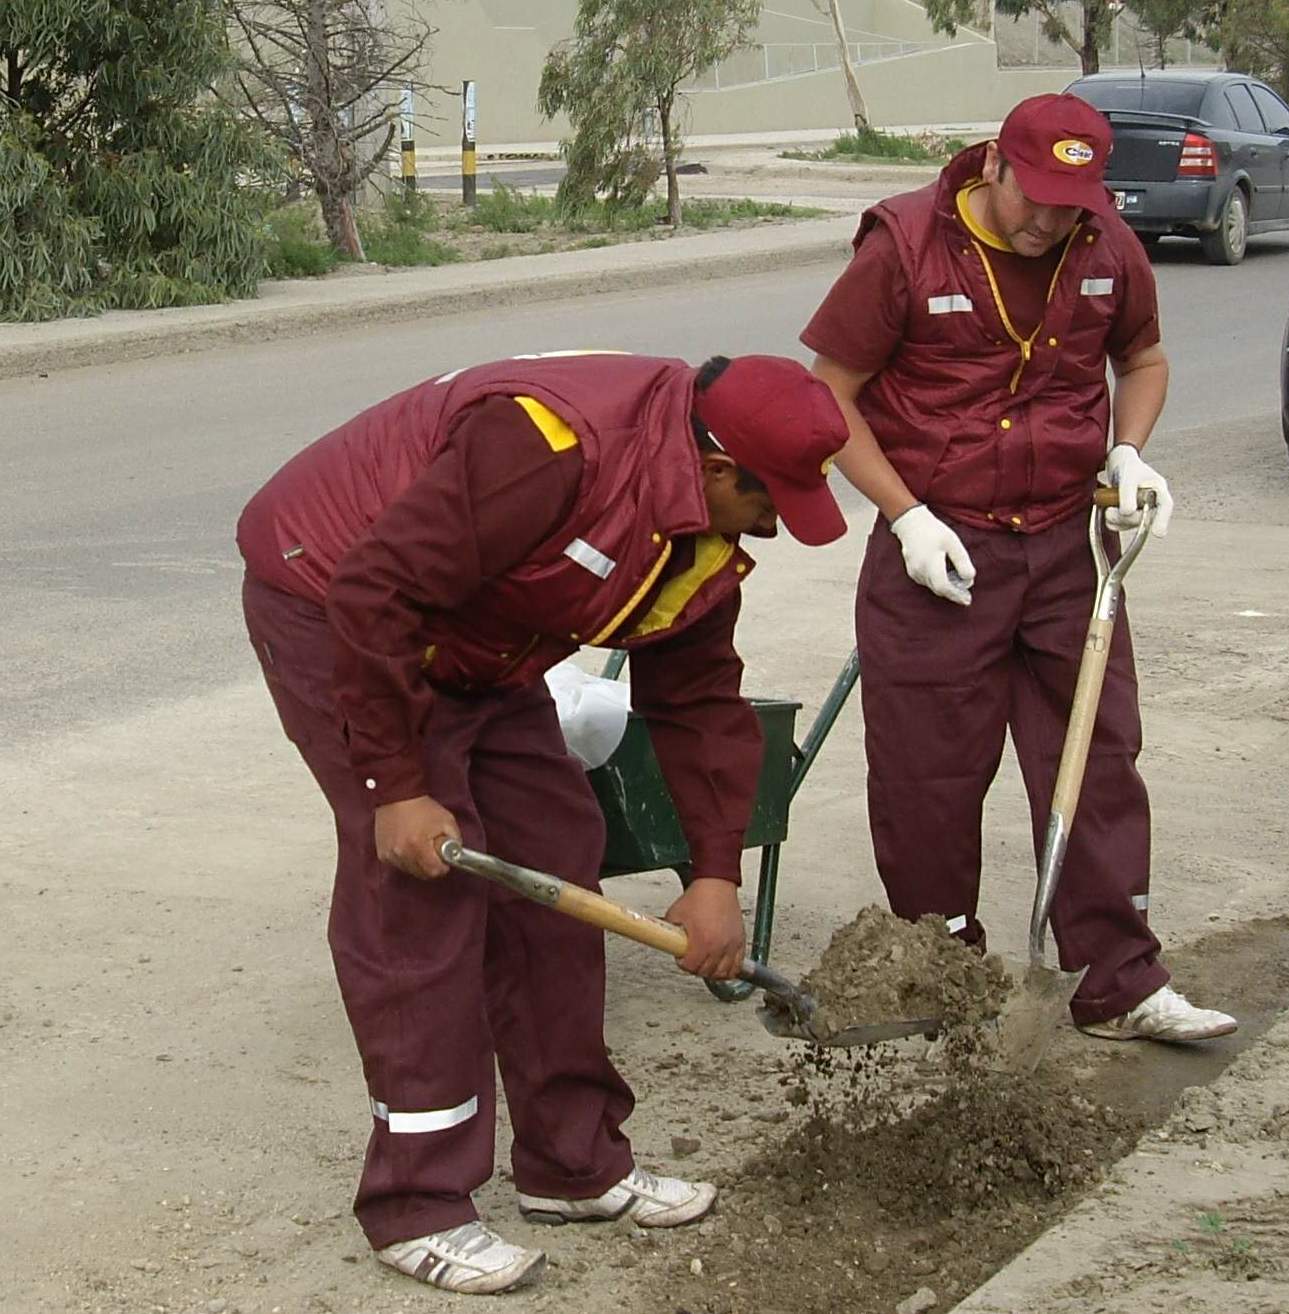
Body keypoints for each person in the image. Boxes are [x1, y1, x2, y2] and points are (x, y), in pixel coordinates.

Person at [236, 350, 850, 1295]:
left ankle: (573, 1163)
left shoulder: (695, 530)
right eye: (772, 503)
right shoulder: (550, 445)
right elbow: (376, 592)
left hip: (482, 642)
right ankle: (418, 1204)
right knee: (428, 889)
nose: (773, 527)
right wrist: (396, 784)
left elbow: (695, 702)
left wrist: (715, 875)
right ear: (720, 469)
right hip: (335, 601)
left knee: (558, 850)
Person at [800, 93, 1236, 1046]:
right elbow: (829, 395)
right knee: (928, 780)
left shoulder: (1106, 245)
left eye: (1071, 203)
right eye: (1035, 195)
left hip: (1067, 551)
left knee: (1097, 759)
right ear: (995, 164)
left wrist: (1128, 450)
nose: (1049, 221)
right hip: (938, 556)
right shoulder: (906, 247)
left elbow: (1145, 357)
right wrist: (905, 516)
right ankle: (942, 983)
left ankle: (1119, 979)